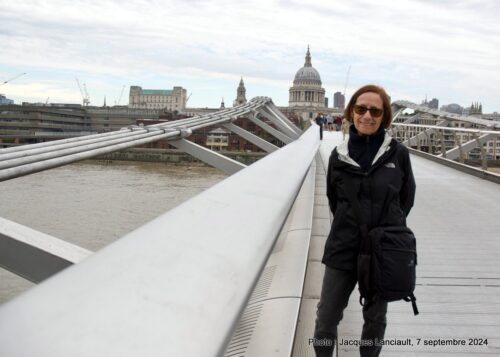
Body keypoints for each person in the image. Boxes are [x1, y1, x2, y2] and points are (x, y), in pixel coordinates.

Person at [313, 84, 416, 357]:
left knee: (375, 320)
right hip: (343, 247)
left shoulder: (399, 154)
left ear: (384, 116)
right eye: (361, 109)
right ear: (351, 113)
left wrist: (384, 228)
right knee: (326, 319)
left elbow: (406, 199)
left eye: (375, 111)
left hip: (382, 250)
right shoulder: (338, 156)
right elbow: (335, 199)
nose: (367, 116)